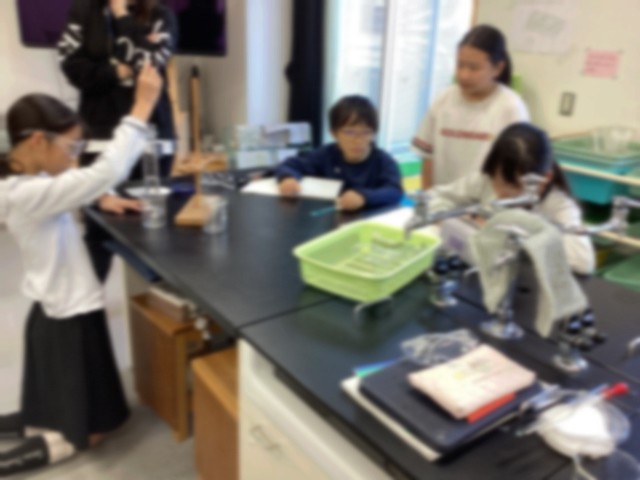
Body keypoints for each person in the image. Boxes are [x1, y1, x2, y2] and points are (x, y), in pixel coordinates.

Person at [0, 64, 162, 477]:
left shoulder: (22, 181)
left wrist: (99, 197)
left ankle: (40, 421)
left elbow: (73, 185)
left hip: (53, 309)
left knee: (66, 408)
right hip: (68, 315)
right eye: (70, 147)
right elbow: (103, 171)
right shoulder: (26, 193)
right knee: (85, 436)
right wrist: (142, 106)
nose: (73, 157)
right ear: (38, 141)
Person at [57, 0, 178, 282]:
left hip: (153, 138)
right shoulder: (84, 10)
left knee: (154, 225)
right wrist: (117, 71)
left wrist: (121, 15)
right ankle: (85, 305)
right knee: (99, 232)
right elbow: (72, 66)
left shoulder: (162, 15)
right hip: (99, 138)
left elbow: (150, 63)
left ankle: (159, 299)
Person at [428, 123, 595, 275]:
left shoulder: (558, 205)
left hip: (525, 281)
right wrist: (456, 219)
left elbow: (583, 261)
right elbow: (434, 197)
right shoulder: (485, 181)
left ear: (544, 180)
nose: (501, 193)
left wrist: (513, 236)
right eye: (497, 181)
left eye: (513, 185)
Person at [413, 24, 530, 188]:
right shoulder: (443, 100)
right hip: (442, 199)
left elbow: (517, 170)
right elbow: (427, 155)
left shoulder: (511, 108)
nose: (464, 75)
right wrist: (428, 197)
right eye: (460, 65)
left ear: (498, 68)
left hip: (486, 202)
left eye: (474, 68)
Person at [276, 95, 404, 211]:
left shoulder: (383, 161)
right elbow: (290, 165)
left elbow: (394, 191)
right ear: (334, 133)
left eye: (366, 132)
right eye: (349, 132)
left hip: (370, 220)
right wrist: (288, 178)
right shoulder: (326, 155)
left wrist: (364, 196)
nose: (358, 140)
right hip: (330, 217)